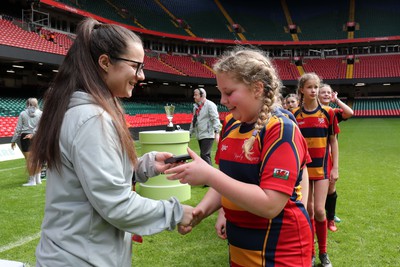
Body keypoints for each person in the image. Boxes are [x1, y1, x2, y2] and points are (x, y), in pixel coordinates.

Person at [27, 18, 193, 267]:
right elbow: (116, 205)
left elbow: (89, 179)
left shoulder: (78, 110)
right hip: (81, 259)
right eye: (136, 66)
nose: (142, 75)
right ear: (105, 62)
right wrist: (177, 212)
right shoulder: (92, 118)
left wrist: (142, 166)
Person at [166, 46, 312, 266]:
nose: (223, 100)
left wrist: (208, 175)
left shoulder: (281, 129)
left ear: (257, 88)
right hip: (240, 248)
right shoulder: (231, 124)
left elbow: (270, 204)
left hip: (281, 252)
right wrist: (200, 212)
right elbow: (227, 182)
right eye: (220, 92)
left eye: (229, 92)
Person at [292, 73, 339, 267]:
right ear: (302, 89)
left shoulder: (328, 112)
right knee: (308, 210)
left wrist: (335, 167)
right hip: (303, 170)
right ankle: (310, 253)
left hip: (322, 168)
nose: (314, 90)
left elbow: (333, 142)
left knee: (320, 210)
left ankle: (323, 253)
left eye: (316, 87)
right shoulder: (294, 115)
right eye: (310, 87)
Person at [319, 83, 353, 232]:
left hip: (330, 155)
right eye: (323, 92)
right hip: (315, 155)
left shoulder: (333, 112)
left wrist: (336, 100)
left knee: (331, 185)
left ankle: (330, 217)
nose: (326, 94)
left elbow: (349, 112)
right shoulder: (312, 112)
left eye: (329, 92)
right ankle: (320, 216)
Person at [11, 97, 42, 186]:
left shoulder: (23, 113)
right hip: (37, 136)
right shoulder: (41, 113)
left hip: (25, 136)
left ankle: (32, 180)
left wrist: (13, 140)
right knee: (37, 158)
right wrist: (34, 133)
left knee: (29, 160)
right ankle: (38, 179)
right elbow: (41, 126)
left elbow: (18, 128)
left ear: (27, 104)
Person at [189, 88, 221, 166]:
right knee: (204, 156)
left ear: (202, 95)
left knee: (205, 155)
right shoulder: (195, 107)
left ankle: (210, 175)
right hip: (200, 135)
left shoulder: (210, 105)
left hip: (208, 134)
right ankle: (208, 174)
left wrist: (217, 133)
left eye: (196, 95)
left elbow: (215, 119)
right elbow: (194, 121)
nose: (194, 96)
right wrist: (189, 133)